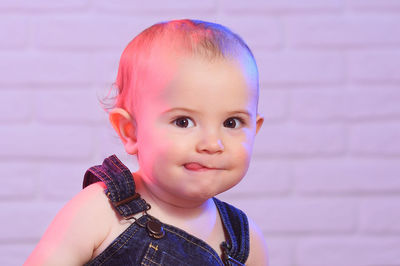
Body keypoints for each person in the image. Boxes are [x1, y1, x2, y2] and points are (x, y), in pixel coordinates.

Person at [25, 19, 268, 266]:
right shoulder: (100, 212)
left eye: (232, 123)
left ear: (254, 130)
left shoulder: (245, 242)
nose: (212, 144)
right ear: (131, 132)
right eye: (183, 122)